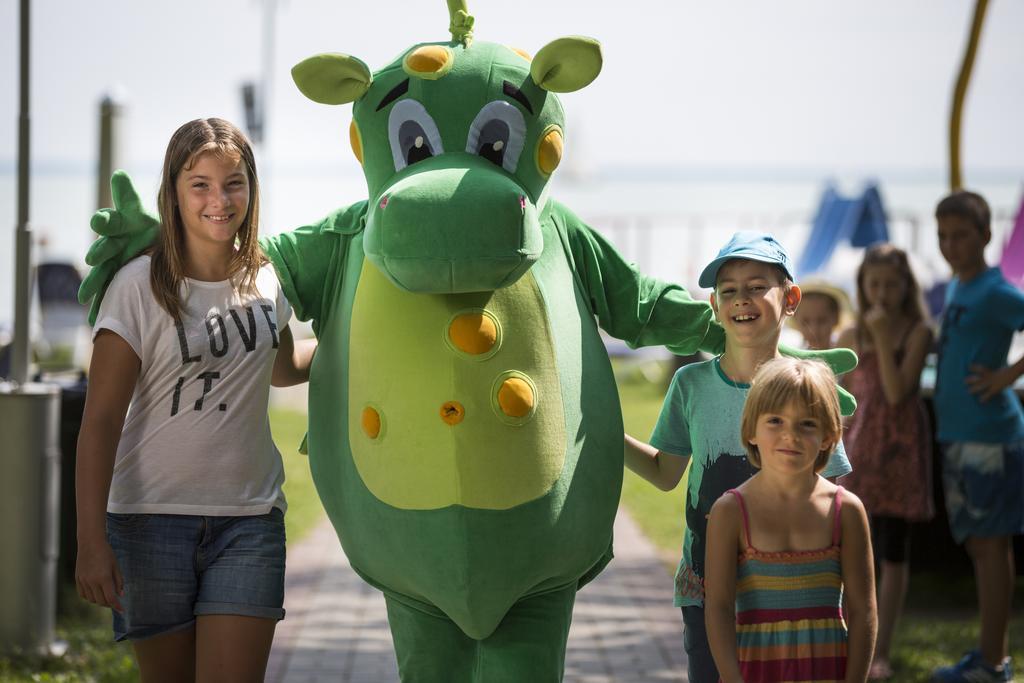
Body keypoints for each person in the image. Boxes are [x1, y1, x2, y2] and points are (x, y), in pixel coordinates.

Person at [74, 118, 315, 683]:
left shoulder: (265, 280)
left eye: (233, 182)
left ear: (251, 188)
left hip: (250, 522)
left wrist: (351, 346)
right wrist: (89, 542)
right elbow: (102, 421)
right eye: (199, 183)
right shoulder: (137, 286)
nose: (218, 199)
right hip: (148, 525)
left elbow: (280, 366)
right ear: (174, 191)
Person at [623, 231, 853, 683]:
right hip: (706, 593)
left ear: (791, 298)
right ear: (714, 305)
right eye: (728, 290)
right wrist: (604, 434)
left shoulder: (809, 387)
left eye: (756, 286)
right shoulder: (690, 384)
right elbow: (666, 474)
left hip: (794, 596)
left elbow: (832, 495)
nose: (741, 299)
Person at [704, 357, 876, 683]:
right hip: (754, 670)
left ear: (829, 435)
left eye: (807, 424)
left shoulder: (847, 511)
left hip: (830, 670)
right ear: (750, 429)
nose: (790, 435)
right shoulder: (730, 512)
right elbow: (719, 607)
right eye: (775, 421)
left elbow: (863, 609)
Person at [930, 190, 1023, 683]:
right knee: (979, 548)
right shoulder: (958, 286)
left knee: (991, 549)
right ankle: (991, 656)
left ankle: (992, 665)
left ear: (986, 235)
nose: (950, 245)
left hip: (990, 436)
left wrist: (1005, 378)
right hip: (959, 435)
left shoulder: (995, 290)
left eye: (961, 235)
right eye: (943, 235)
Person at [835, 243, 934, 680]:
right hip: (858, 451)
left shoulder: (918, 332)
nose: (882, 292)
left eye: (891, 284)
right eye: (873, 284)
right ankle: (841, 640)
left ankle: (882, 649)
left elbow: (897, 392)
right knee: (849, 547)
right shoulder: (848, 335)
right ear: (861, 286)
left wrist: (878, 337)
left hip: (899, 452)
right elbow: (839, 397)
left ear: (906, 286)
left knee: (894, 551)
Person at [791, 279, 852, 350]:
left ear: (836, 318)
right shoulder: (792, 359)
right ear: (796, 320)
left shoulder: (850, 356)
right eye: (805, 322)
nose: (814, 330)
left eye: (822, 321)